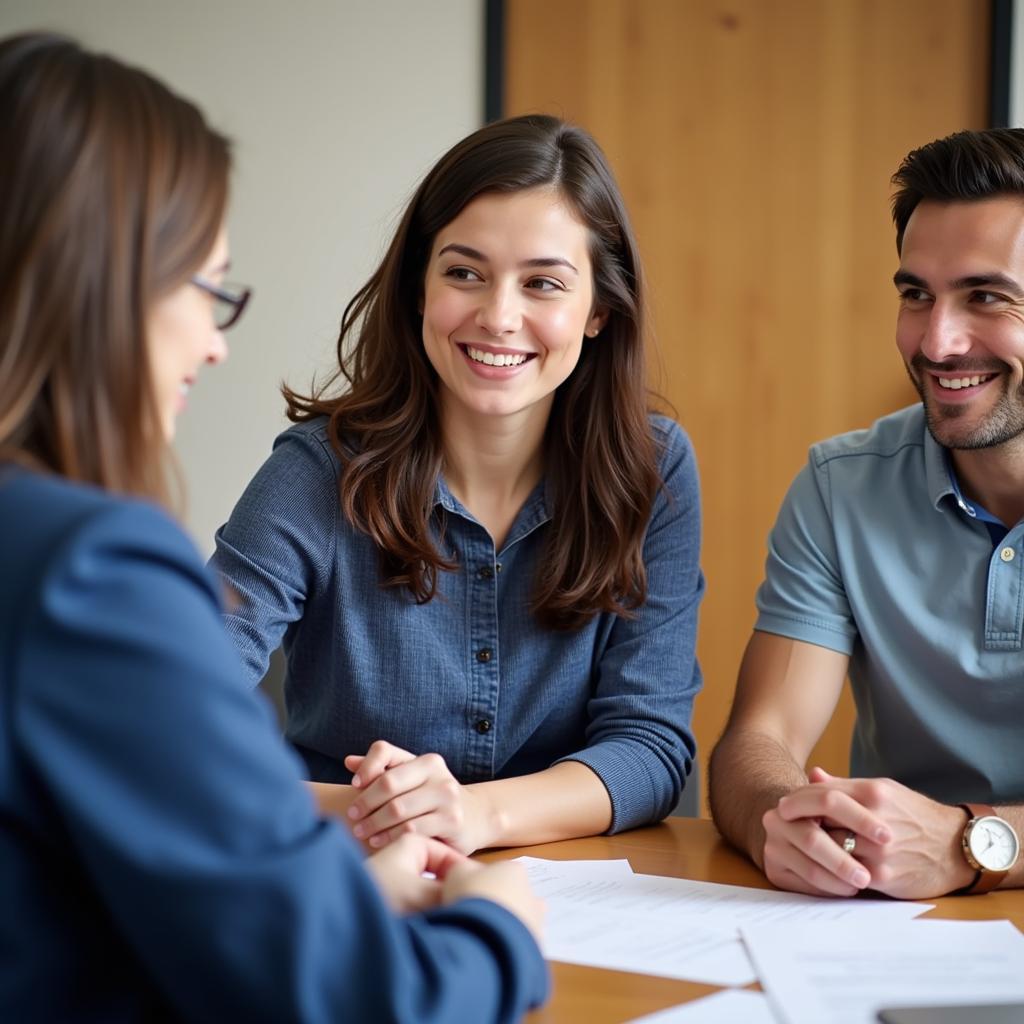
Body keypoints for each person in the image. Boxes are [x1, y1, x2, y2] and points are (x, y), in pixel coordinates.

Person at [0, 32, 547, 1022]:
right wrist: (497, 926)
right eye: (206, 289)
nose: (214, 344)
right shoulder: (93, 567)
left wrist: (312, 882)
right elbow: (359, 1000)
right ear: (100, 281)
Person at [210, 114, 703, 855]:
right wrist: (375, 811)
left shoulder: (652, 467)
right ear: (418, 287)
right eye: (464, 273)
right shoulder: (313, 474)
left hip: (578, 897)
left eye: (543, 283)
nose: (499, 317)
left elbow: (651, 748)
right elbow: (172, 714)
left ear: (599, 309)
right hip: (343, 869)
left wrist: (472, 816)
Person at [709, 128, 1024, 901]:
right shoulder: (840, 487)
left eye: (986, 296)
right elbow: (761, 738)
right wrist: (777, 823)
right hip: (895, 930)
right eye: (916, 294)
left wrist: (973, 842)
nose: (937, 341)